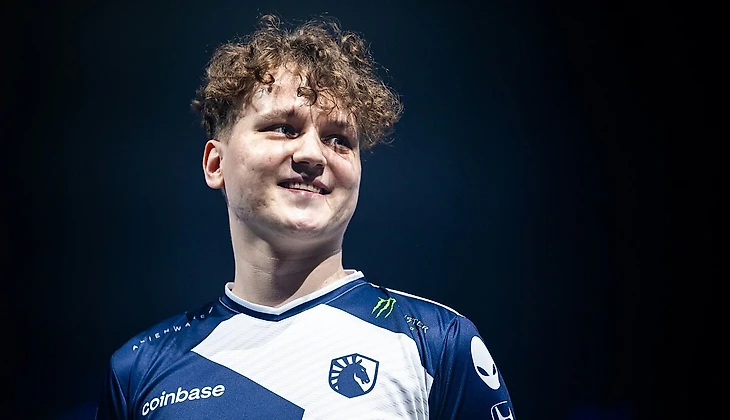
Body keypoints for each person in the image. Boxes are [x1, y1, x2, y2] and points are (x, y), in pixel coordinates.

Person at [96, 14, 516, 420]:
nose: (314, 155)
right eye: (284, 127)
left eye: (339, 139)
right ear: (215, 163)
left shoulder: (437, 342)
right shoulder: (139, 369)